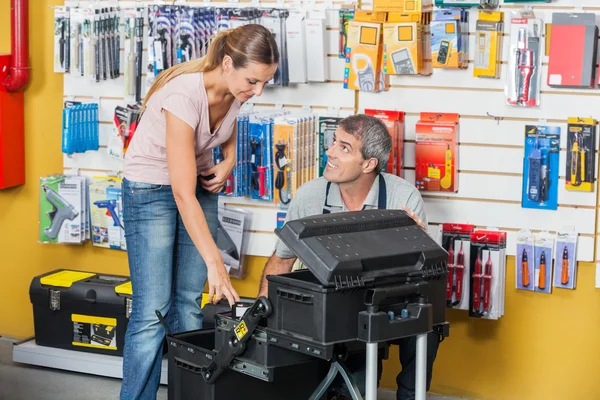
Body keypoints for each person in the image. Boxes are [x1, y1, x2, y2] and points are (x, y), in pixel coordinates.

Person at [120, 24, 280, 400]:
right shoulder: (182, 96)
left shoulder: (236, 90)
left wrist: (229, 160)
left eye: (265, 83)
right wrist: (216, 264)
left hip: (197, 185)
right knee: (151, 312)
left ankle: (187, 393)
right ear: (227, 64)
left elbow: (227, 127)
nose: (257, 92)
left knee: (189, 302)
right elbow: (181, 193)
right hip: (152, 190)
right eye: (253, 81)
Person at [257, 114, 440, 400]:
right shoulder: (309, 197)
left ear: (368, 164)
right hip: (334, 308)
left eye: (344, 148)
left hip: (388, 302)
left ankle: (409, 394)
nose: (329, 152)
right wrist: (259, 319)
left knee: (428, 324)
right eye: (333, 142)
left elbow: (422, 274)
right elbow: (281, 261)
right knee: (353, 390)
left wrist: (415, 241)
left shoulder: (403, 198)